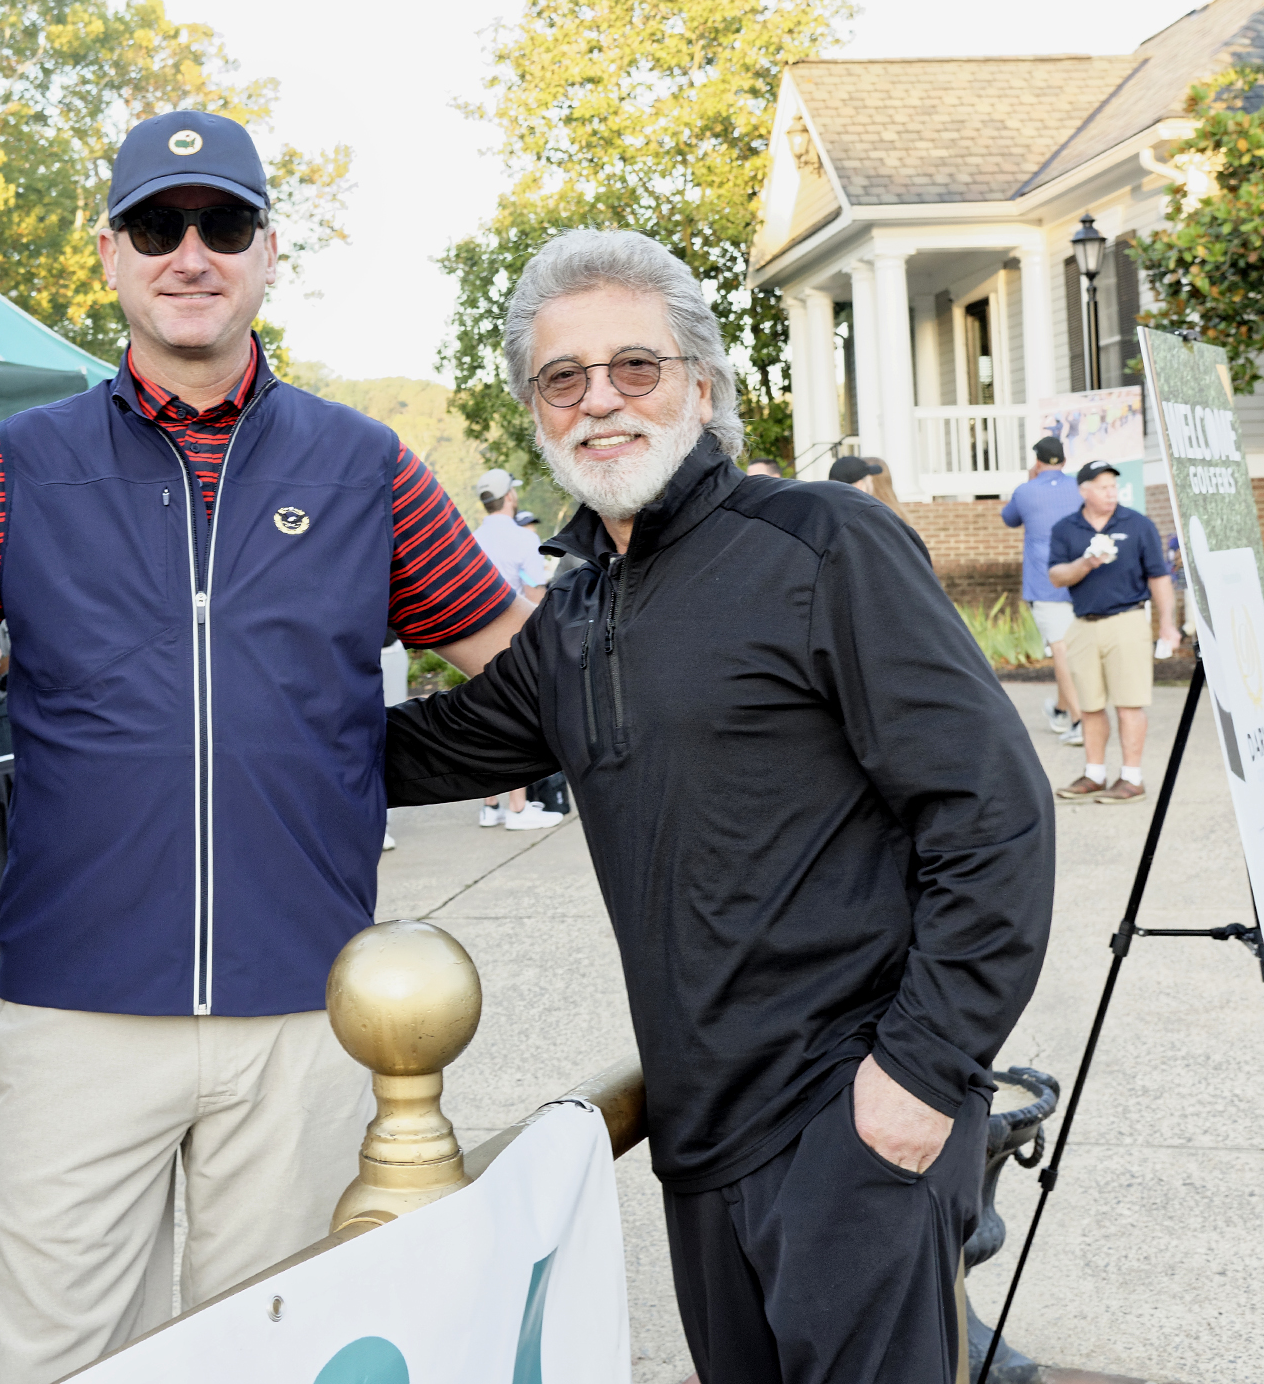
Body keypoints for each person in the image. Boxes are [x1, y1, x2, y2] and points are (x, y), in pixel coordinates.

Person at [0, 111, 535, 1384]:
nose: (189, 252)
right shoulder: (18, 464)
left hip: (304, 1011)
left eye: (223, 224)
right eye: (157, 225)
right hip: (75, 1007)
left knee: (278, 1354)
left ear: (265, 255)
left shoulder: (364, 465)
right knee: (67, 1363)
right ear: (110, 255)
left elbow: (527, 678)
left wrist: (363, 759)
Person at [382, 228, 1052, 1384]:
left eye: (635, 367)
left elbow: (993, 813)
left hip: (852, 1118)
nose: (601, 401)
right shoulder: (578, 612)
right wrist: (217, 706)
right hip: (700, 1138)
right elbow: (422, 751)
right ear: (537, 412)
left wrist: (922, 1075)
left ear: (701, 382)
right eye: (563, 378)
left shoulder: (819, 543)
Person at [1048, 460, 1178, 803]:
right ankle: (1095, 774)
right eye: (1102, 487)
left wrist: (1167, 624)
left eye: (1112, 486)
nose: (1110, 492)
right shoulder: (1066, 528)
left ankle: (1131, 778)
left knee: (1129, 704)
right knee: (1090, 706)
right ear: (1084, 491)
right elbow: (1057, 576)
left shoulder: (1138, 525)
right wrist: (1086, 562)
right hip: (1083, 625)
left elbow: (1159, 577)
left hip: (1128, 621)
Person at [470, 468, 560, 831]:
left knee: (483, 722)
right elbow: (536, 597)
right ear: (510, 497)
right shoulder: (522, 539)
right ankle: (518, 810)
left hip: (472, 638)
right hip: (514, 640)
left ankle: (489, 806)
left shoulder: (469, 538)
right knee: (516, 722)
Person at [1001, 437, 1086, 746]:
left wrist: (1028, 482)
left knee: (1060, 647)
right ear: (1063, 461)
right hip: (1080, 576)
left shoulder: (1026, 491)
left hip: (1045, 579)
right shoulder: (1080, 487)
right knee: (1070, 644)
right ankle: (1062, 710)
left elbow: (1009, 519)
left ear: (1037, 461)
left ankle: (1079, 720)